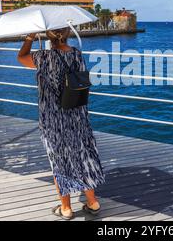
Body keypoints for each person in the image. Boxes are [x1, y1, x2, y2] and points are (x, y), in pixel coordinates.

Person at [18, 28, 105, 220]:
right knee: (83, 154)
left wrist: (30, 37)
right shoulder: (76, 53)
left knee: (59, 160)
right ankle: (92, 202)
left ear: (48, 36)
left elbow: (21, 57)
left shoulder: (43, 57)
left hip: (53, 118)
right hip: (77, 114)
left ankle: (66, 208)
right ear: (67, 34)